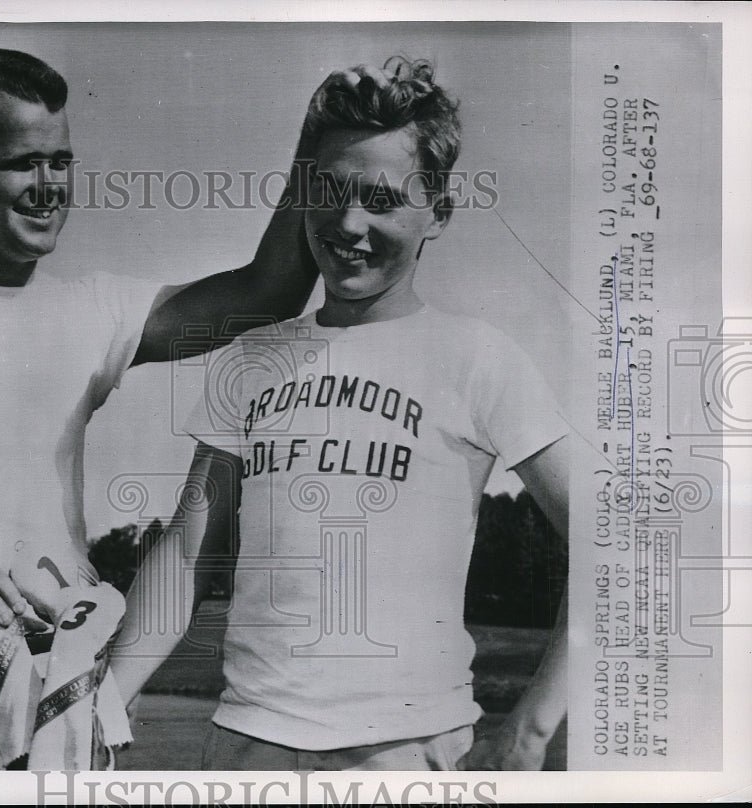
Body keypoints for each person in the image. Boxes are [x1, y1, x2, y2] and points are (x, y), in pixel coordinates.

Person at [0, 47, 318, 769]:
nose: (49, 187)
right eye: (21, 163)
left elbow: (267, 293)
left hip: (66, 678)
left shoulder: (92, 308)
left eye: (61, 162)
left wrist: (318, 141)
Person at [111, 57, 569, 771]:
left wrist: (533, 728)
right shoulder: (250, 359)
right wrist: (104, 698)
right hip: (246, 747)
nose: (349, 224)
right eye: (329, 193)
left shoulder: (477, 357)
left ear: (438, 212)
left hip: (404, 752)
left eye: (382, 201)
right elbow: (188, 553)